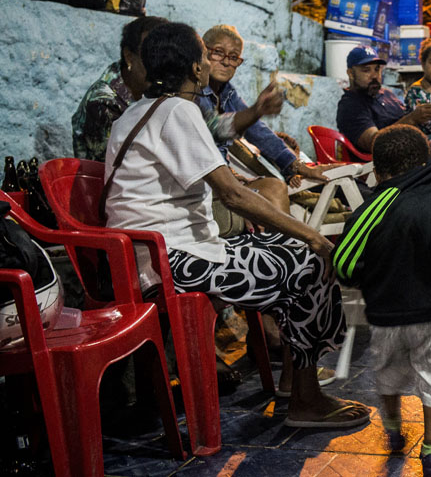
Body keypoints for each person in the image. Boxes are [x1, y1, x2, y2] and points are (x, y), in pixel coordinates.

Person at [104, 23, 369, 429]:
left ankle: (294, 384)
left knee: (292, 257)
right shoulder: (179, 110)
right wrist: (314, 236)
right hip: (172, 262)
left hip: (149, 257)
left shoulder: (139, 111)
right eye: (207, 57)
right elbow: (232, 195)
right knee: (310, 262)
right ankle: (305, 397)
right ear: (196, 68)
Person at [333, 125, 431, 477]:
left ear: (377, 172)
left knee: (389, 375)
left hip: (383, 314)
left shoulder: (368, 211)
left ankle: (394, 430)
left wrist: (362, 278)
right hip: (429, 313)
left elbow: (344, 264)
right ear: (424, 163)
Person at [195, 25, 333, 211]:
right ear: (203, 53)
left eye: (234, 57)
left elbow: (257, 130)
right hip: (203, 181)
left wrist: (295, 165)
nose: (226, 62)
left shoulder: (227, 92)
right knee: (274, 189)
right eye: (218, 52)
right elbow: (214, 128)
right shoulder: (192, 92)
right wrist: (256, 111)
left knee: (278, 188)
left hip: (222, 178)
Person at [72, 16, 169, 160]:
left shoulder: (149, 85)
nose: (161, 63)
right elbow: (116, 167)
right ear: (129, 56)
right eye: (152, 54)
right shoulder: (104, 103)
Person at [335, 45, 431, 153]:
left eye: (377, 69)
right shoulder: (350, 105)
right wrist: (412, 119)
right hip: (391, 163)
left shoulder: (386, 94)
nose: (374, 76)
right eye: (366, 70)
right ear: (351, 74)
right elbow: (375, 143)